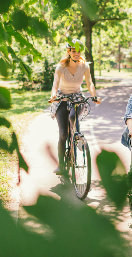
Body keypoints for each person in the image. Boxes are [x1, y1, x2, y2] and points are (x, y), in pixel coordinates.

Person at [49, 39, 101, 175]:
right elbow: (55, 84)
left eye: (78, 51)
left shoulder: (84, 66)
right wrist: (53, 95)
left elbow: (90, 83)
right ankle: (61, 165)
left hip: (77, 98)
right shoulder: (61, 67)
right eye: (73, 51)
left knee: (73, 116)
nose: (76, 54)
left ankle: (77, 137)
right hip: (62, 99)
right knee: (63, 134)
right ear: (69, 52)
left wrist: (94, 96)